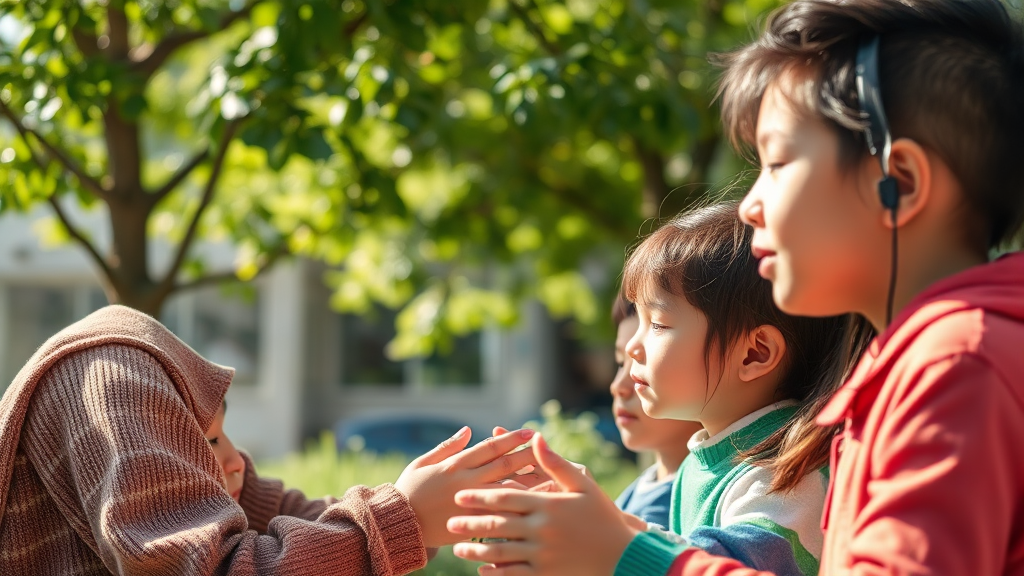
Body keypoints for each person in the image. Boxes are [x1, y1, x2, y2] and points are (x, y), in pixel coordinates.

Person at [450, 0, 1024, 574]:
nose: (750, 206)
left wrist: (625, 556)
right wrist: (598, 535)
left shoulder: (956, 366)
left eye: (777, 164)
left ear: (899, 182)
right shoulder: (924, 365)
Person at [449, 203, 862, 575]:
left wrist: (603, 542)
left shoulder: (787, 471)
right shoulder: (710, 462)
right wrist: (582, 523)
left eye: (659, 324)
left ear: (755, 353)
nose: (633, 347)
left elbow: (727, 564)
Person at [0, 304, 539, 575]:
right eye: (204, 442)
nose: (236, 460)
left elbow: (300, 516)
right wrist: (403, 517)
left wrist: (439, 504)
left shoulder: (209, 488)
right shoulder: (112, 382)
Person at [610, 293, 704, 529]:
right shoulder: (645, 485)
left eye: (643, 361)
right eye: (620, 363)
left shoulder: (694, 508)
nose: (619, 386)